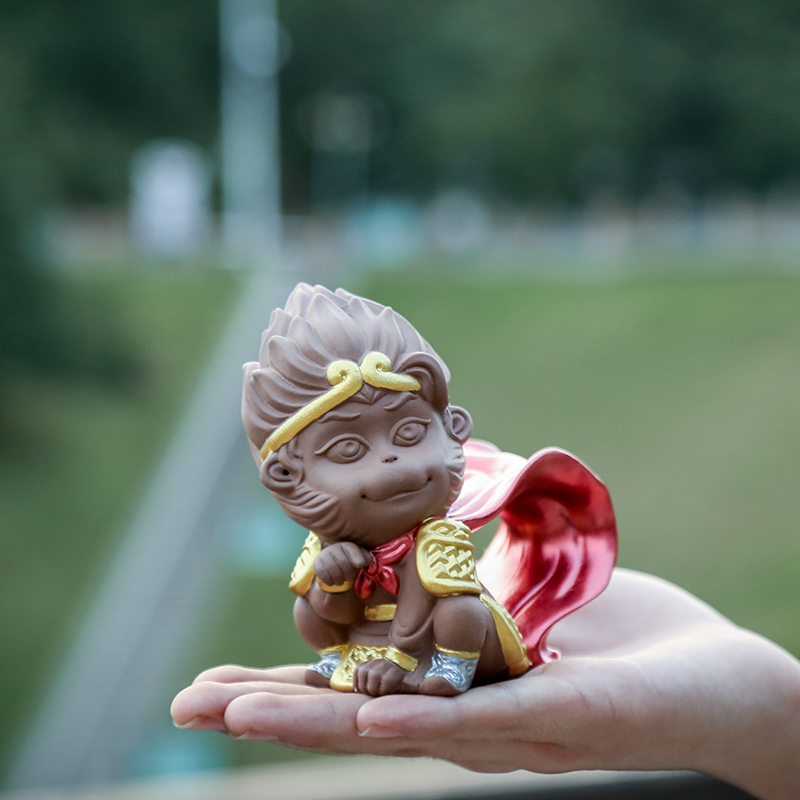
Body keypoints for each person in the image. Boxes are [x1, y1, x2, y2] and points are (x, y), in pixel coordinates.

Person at [171, 567, 800, 800]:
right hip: (367, 646)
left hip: (437, 645)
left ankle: (446, 669)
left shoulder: (435, 532)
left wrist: (773, 712)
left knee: (459, 611)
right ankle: (351, 664)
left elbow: (431, 598)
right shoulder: (331, 539)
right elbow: (321, 611)